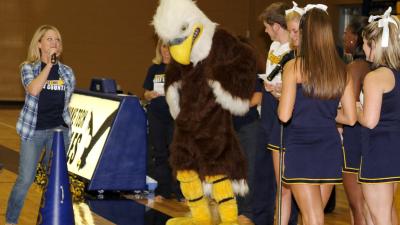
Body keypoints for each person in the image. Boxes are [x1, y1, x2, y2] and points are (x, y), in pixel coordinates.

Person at [278, 6, 356, 225]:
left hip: (301, 148)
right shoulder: (342, 70)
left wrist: (283, 98)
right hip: (329, 149)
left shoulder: (294, 66)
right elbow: (350, 118)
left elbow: (284, 115)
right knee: (312, 215)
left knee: (312, 217)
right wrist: (327, 115)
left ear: (305, 33)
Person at [5, 25, 75, 225]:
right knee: (25, 179)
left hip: (59, 133)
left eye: (58, 40)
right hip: (33, 132)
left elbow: (65, 103)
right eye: (50, 39)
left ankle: (49, 218)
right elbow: (34, 90)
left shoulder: (68, 73)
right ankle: (11, 220)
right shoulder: (28, 67)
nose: (55, 43)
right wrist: (49, 66)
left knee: (53, 178)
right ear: (39, 44)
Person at [357, 7, 400, 225]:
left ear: (374, 45)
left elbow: (370, 120)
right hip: (393, 149)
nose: (363, 49)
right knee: (378, 212)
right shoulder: (395, 75)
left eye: (365, 43)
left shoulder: (375, 77)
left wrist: (356, 108)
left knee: (379, 216)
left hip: (379, 152)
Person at [257, 2, 298, 225]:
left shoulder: (292, 53)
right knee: (276, 179)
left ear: (275, 25)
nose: (264, 31)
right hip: (271, 112)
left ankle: (288, 219)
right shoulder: (274, 48)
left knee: (285, 181)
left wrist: (279, 91)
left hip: (284, 113)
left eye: (266, 26)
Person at [340, 16, 374, 225]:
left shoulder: (355, 68)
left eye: (346, 33)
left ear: (355, 38)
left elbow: (348, 107)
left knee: (357, 204)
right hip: (371, 137)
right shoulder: (377, 65)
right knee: (371, 206)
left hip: (354, 138)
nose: (344, 37)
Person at [143, 39, 181, 201]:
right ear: (160, 49)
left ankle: (179, 192)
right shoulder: (154, 69)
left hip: (174, 116)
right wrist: (149, 95)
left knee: (176, 153)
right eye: (163, 46)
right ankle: (162, 191)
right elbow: (145, 92)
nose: (166, 50)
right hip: (156, 115)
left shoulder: (180, 69)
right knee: (159, 153)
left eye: (169, 47)